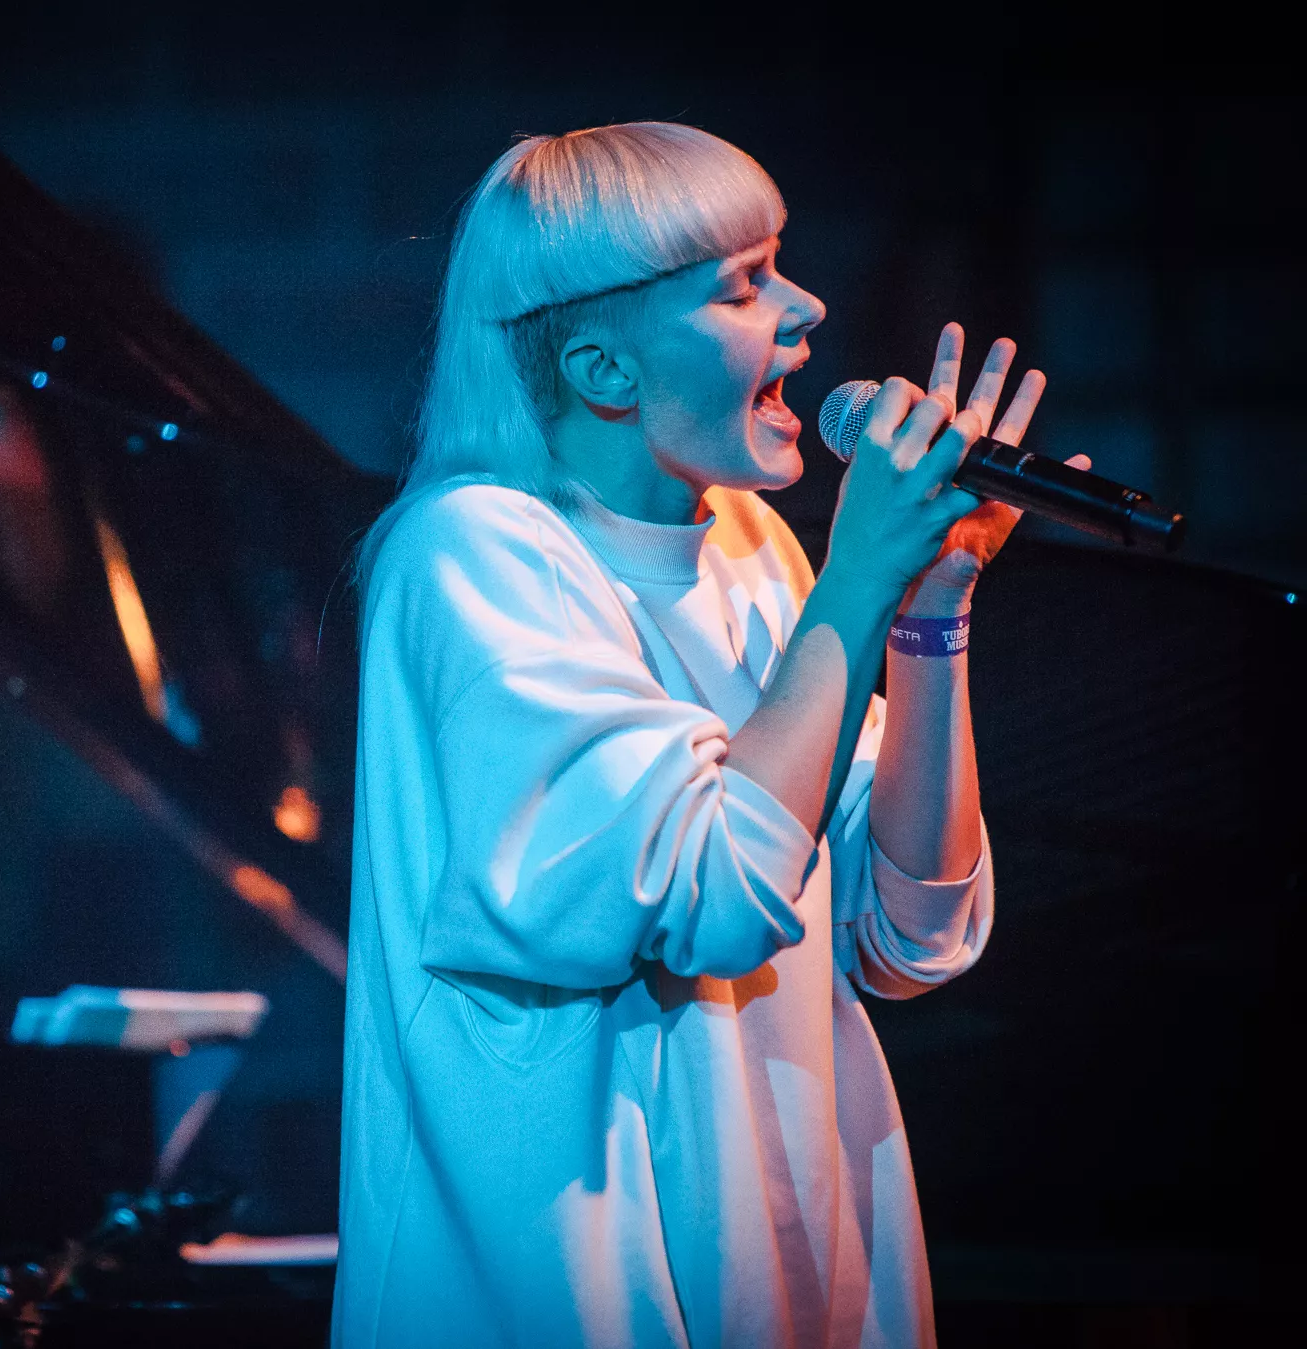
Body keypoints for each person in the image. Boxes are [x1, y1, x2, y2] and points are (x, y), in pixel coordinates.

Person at [335, 124, 1086, 1348]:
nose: (807, 310)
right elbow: (717, 895)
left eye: (777, 265)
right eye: (743, 286)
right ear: (604, 367)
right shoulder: (474, 553)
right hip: (575, 1287)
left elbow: (913, 929)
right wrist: (857, 580)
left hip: (787, 1260)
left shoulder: (751, 546)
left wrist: (925, 615)